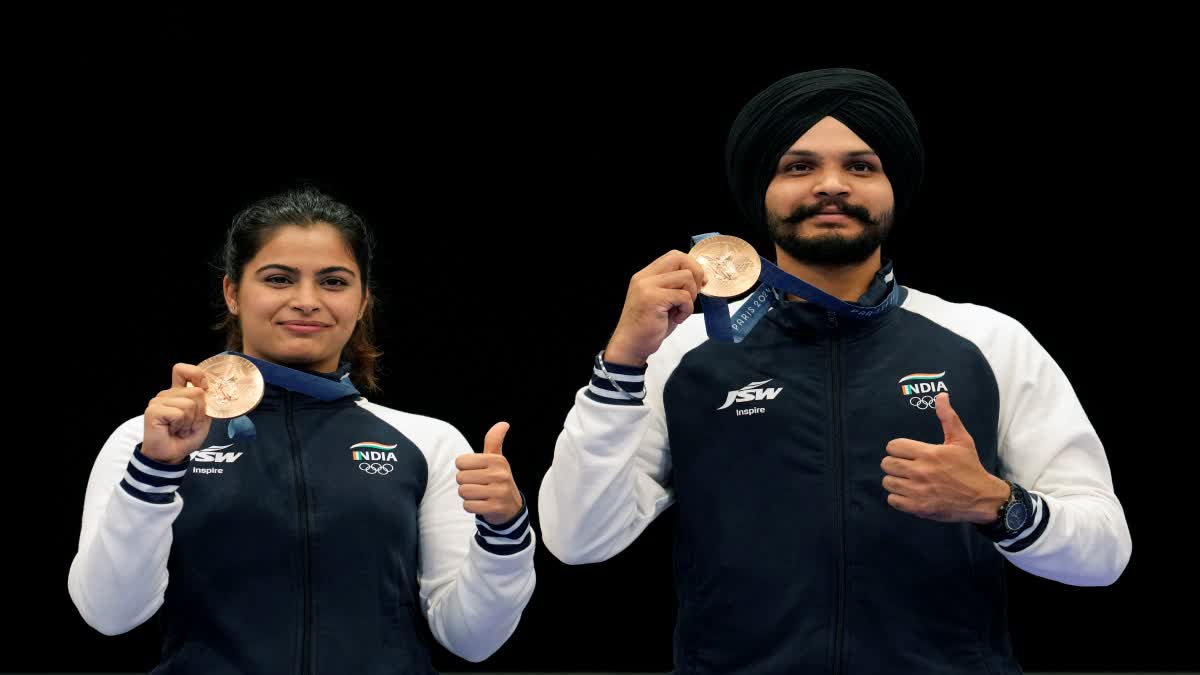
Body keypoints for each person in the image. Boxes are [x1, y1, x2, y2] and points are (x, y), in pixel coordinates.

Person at [538, 68, 1131, 674]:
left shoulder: (988, 340)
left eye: (861, 166)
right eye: (798, 167)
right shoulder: (684, 351)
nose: (830, 185)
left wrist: (997, 505)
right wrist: (622, 362)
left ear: (893, 188)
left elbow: (1104, 553)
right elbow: (579, 540)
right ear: (760, 190)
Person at [69, 187, 536, 674]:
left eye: (333, 282)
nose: (307, 301)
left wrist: (505, 532)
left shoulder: (429, 443)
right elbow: (109, 615)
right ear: (232, 292)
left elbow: (473, 638)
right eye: (278, 278)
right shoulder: (147, 441)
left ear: (362, 302)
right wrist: (155, 472)